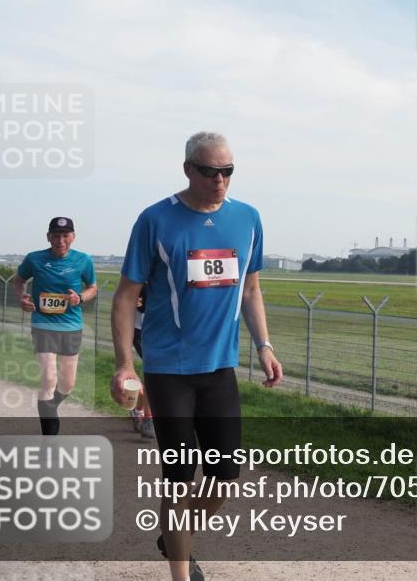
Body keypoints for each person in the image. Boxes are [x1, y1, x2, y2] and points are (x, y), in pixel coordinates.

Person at [110, 132, 282, 581]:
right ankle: (181, 573)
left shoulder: (248, 219)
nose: (219, 180)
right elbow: (126, 296)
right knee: (180, 475)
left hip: (219, 369)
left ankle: (174, 538)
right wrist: (126, 363)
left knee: (225, 475)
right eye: (209, 171)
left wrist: (264, 345)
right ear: (188, 169)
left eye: (227, 171)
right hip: (169, 370)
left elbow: (251, 289)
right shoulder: (155, 219)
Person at [13, 217, 98, 435]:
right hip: (43, 324)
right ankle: (49, 439)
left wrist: (80, 297)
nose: (61, 241)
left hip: (71, 326)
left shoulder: (83, 260)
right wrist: (21, 297)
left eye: (65, 236)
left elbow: (93, 288)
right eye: (56, 236)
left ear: (73, 237)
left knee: (67, 384)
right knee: (49, 378)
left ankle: (49, 406)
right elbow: (19, 279)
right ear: (48, 237)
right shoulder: (34, 259)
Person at [128, 284, 155, 439]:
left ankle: (138, 409)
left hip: (164, 329)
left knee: (158, 376)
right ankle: (148, 419)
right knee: (153, 372)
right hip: (141, 330)